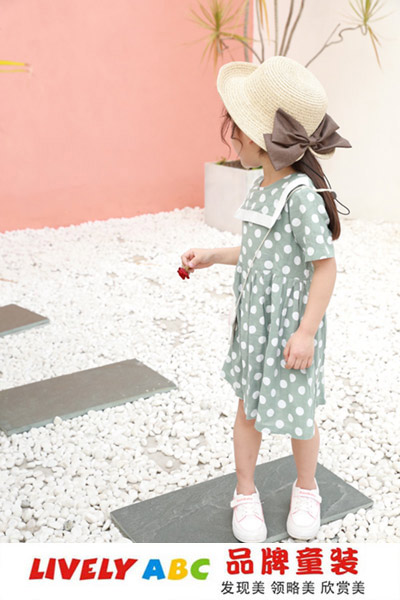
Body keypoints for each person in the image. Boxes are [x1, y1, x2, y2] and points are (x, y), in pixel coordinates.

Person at [180, 56, 351, 543]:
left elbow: (324, 267)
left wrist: (306, 332)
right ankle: (245, 492)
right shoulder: (260, 187)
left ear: (261, 139)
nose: (231, 139)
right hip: (256, 325)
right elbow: (260, 254)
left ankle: (306, 488)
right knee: (248, 408)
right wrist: (213, 256)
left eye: (235, 129)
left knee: (299, 414)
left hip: (290, 330)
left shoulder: (299, 196)